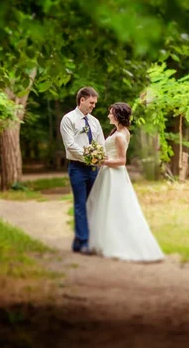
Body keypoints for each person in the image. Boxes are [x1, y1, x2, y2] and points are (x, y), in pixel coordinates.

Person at [87, 102, 165, 262]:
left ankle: (116, 242)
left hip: (113, 173)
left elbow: (122, 161)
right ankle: (105, 239)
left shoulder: (121, 136)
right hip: (109, 173)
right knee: (106, 206)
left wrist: (102, 161)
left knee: (113, 207)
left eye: (111, 113)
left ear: (117, 115)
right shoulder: (118, 131)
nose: (108, 115)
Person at [60, 86, 105, 254]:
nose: (93, 106)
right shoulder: (68, 119)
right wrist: (88, 157)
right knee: (80, 204)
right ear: (82, 100)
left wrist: (99, 157)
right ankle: (84, 242)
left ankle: (80, 240)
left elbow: (100, 141)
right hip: (77, 168)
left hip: (94, 168)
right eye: (91, 103)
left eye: (95, 103)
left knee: (93, 203)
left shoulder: (94, 122)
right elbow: (70, 145)